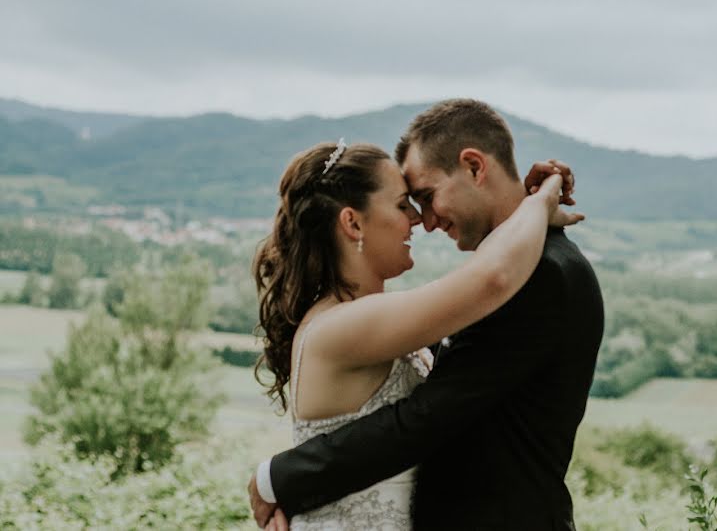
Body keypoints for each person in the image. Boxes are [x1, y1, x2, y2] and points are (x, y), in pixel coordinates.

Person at [250, 99, 605, 531]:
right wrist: (540, 199)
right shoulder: (507, 274)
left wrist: (281, 480)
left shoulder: (540, 274)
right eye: (407, 204)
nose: (425, 221)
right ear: (351, 224)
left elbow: (429, 415)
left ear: (474, 167)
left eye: (425, 197)